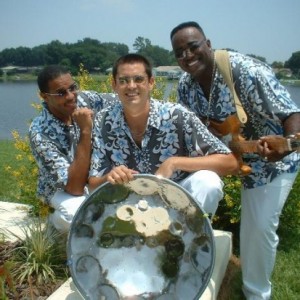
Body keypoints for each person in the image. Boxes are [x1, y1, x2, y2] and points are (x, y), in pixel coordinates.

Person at [170, 21, 300, 300]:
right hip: (228, 160)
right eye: (179, 52)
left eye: (193, 47)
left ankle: (256, 294)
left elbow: (291, 114)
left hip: (273, 164)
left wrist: (288, 146)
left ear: (208, 43)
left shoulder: (245, 71)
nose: (187, 56)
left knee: (259, 228)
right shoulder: (185, 85)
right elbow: (187, 130)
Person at [88, 53, 239, 219]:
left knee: (208, 181)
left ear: (151, 82)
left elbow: (230, 161)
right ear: (114, 85)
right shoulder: (104, 121)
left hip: (175, 201)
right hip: (127, 203)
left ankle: (191, 237)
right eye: (123, 80)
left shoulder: (176, 115)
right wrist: (109, 177)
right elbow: (93, 185)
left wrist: (174, 162)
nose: (131, 86)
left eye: (139, 79)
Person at [29, 65, 119, 233]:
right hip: (61, 188)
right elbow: (75, 188)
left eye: (72, 88)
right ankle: (55, 226)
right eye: (61, 93)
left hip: (95, 178)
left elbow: (125, 99)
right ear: (44, 96)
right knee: (79, 215)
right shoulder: (40, 132)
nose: (71, 97)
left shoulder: (85, 99)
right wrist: (86, 130)